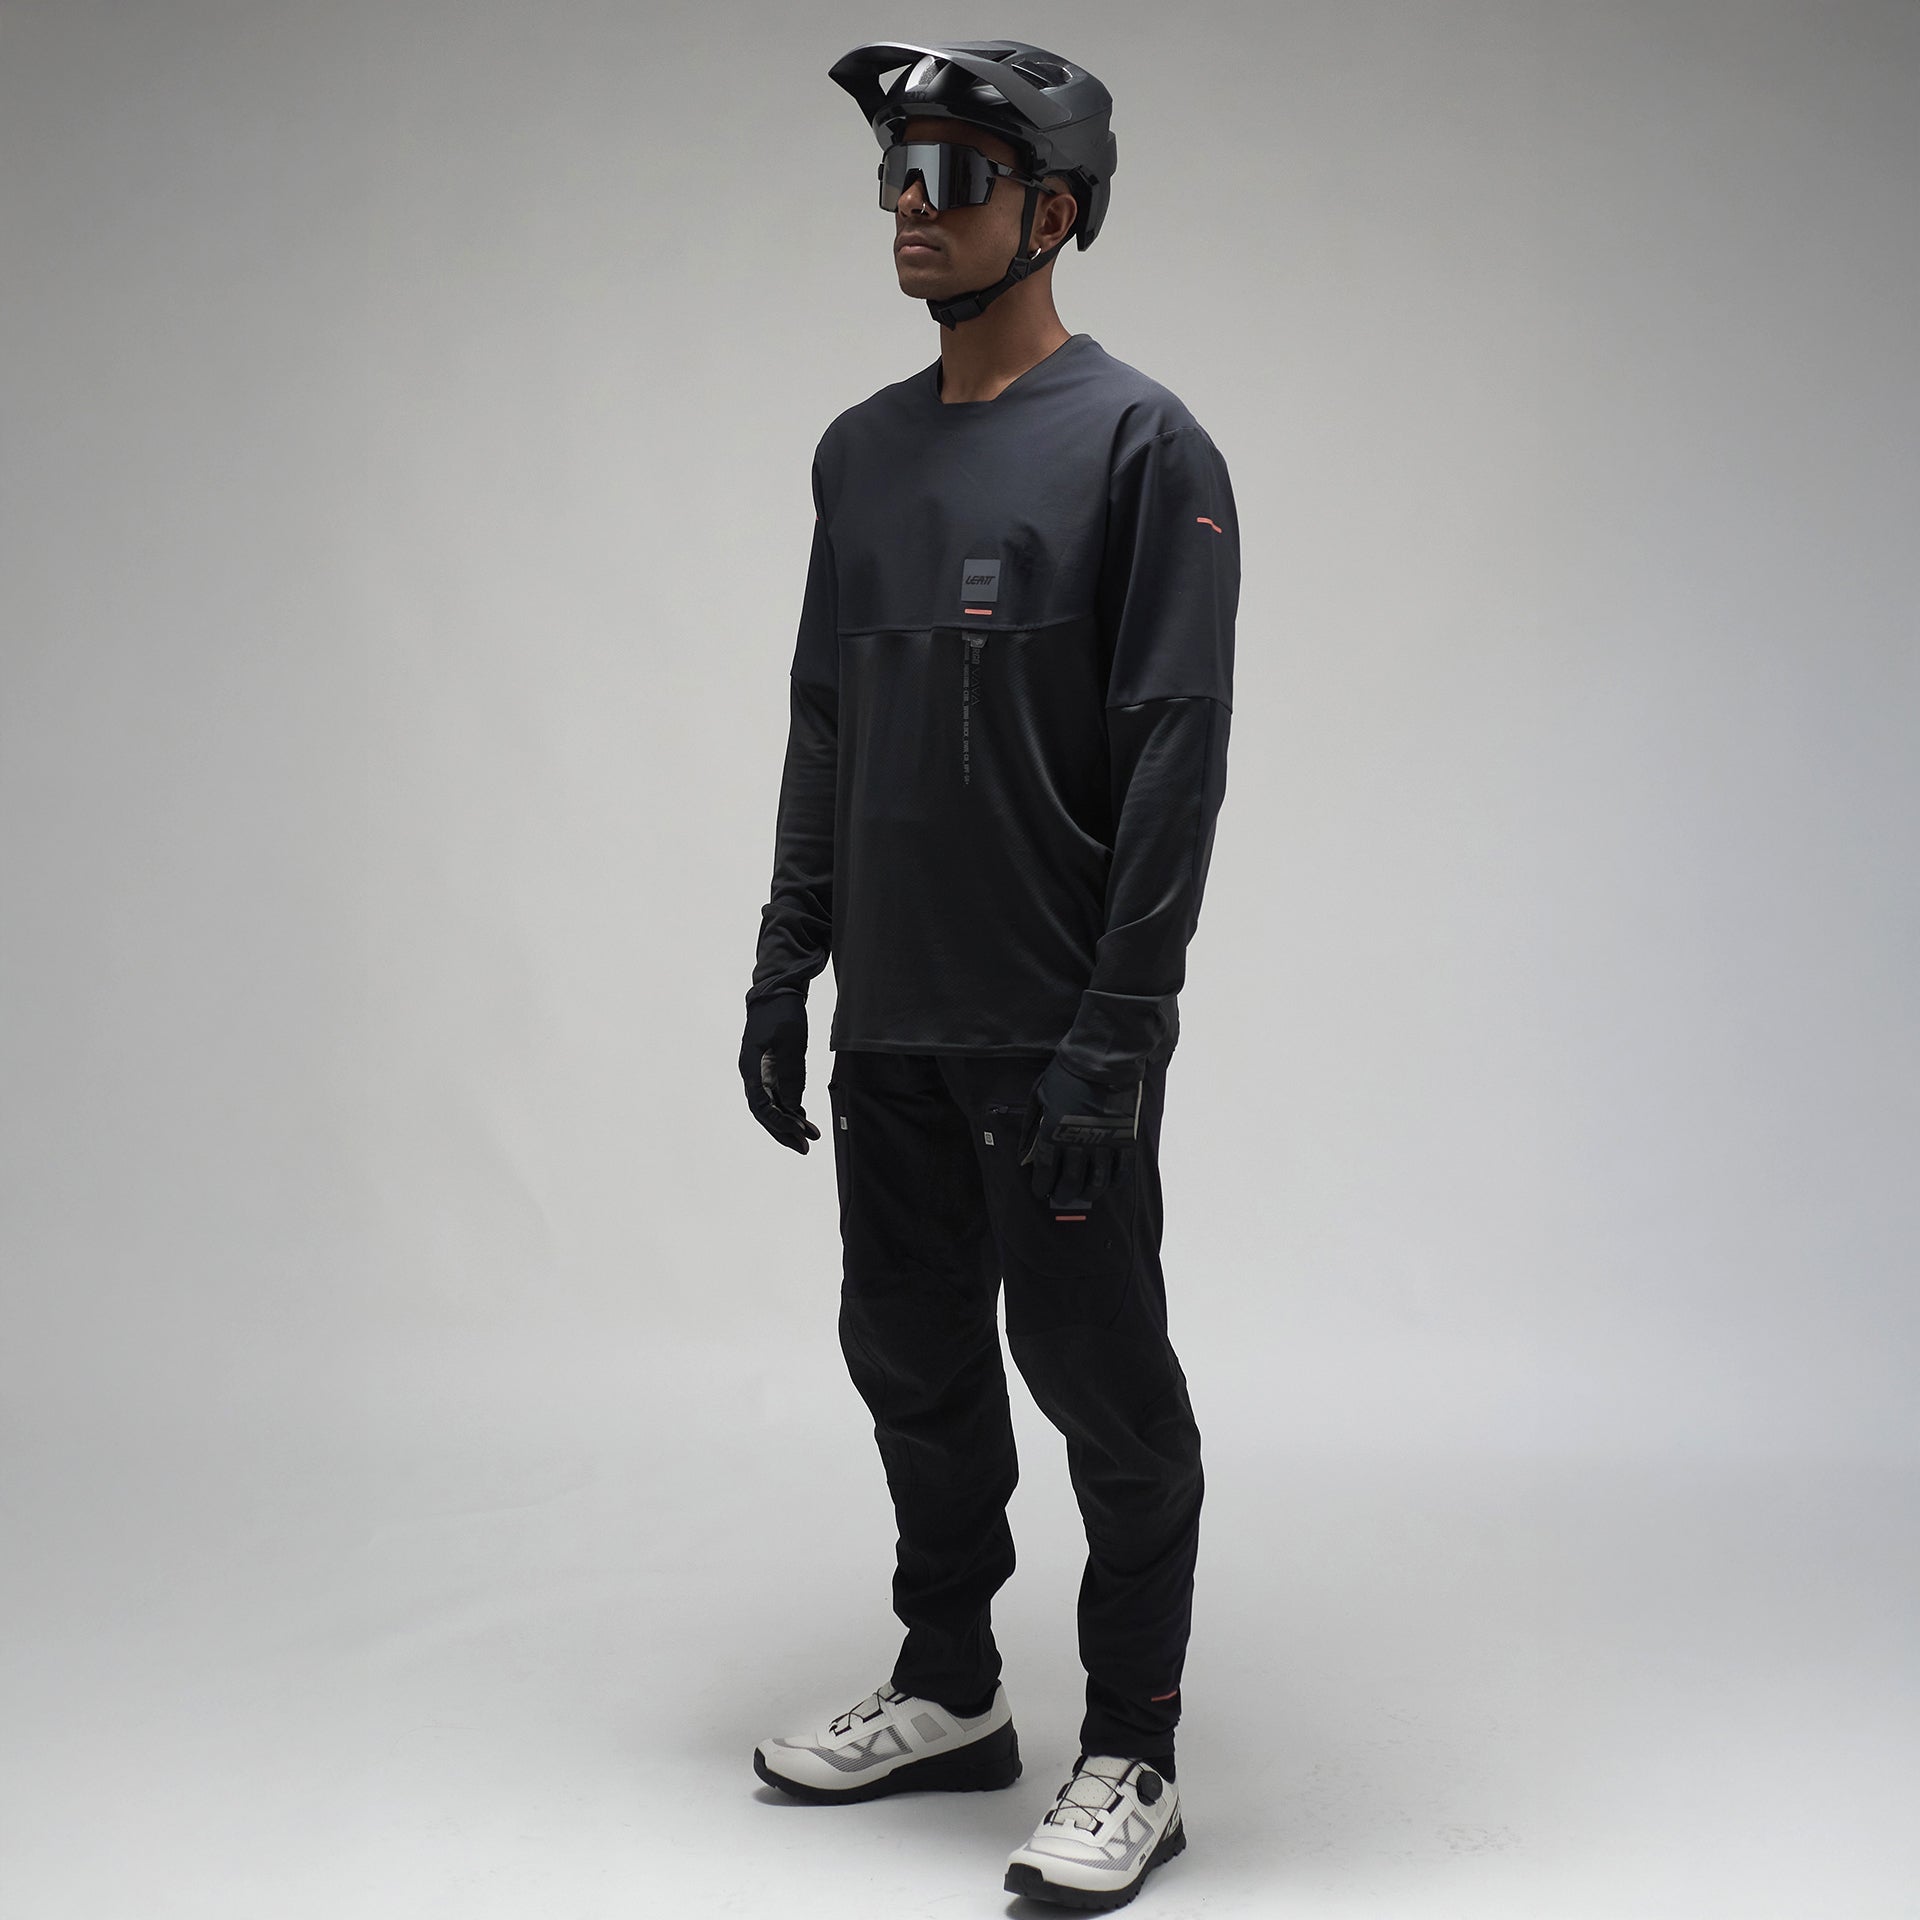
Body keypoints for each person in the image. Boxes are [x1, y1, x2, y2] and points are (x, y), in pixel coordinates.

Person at [738, 38, 1238, 1912]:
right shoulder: (858, 453)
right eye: (893, 170)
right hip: (895, 1021)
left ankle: (1137, 1748)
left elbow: (1175, 753)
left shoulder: (1143, 446)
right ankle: (953, 1687)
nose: (907, 205)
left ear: (1057, 212)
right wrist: (788, 960)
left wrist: (1122, 1033)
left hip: (1054, 1032)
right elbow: (826, 716)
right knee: (910, 1361)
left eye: (951, 173)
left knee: (1104, 1387)